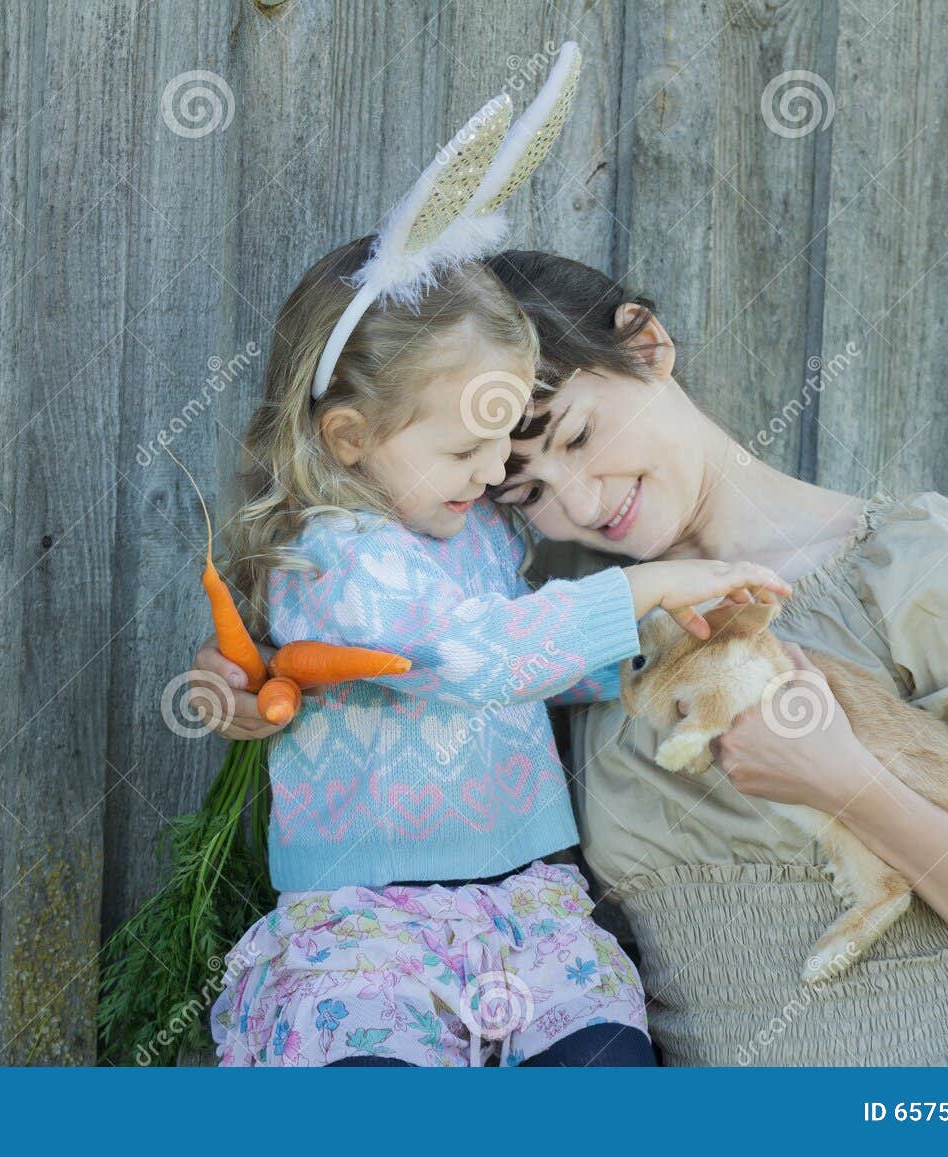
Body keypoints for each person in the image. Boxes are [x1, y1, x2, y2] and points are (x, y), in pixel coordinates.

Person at [196, 248, 948, 1065]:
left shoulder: (914, 562)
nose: (577, 499)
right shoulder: (572, 617)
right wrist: (264, 678)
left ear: (647, 346)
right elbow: (424, 655)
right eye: (524, 491)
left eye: (576, 434)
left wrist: (848, 783)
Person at [206, 238, 789, 1067]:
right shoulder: (333, 558)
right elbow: (473, 655)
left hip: (530, 909)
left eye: (501, 441)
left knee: (607, 1060)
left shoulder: (476, 529)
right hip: (371, 926)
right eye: (462, 449)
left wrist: (662, 641)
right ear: (349, 437)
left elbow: (534, 665)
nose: (491, 473)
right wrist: (644, 591)